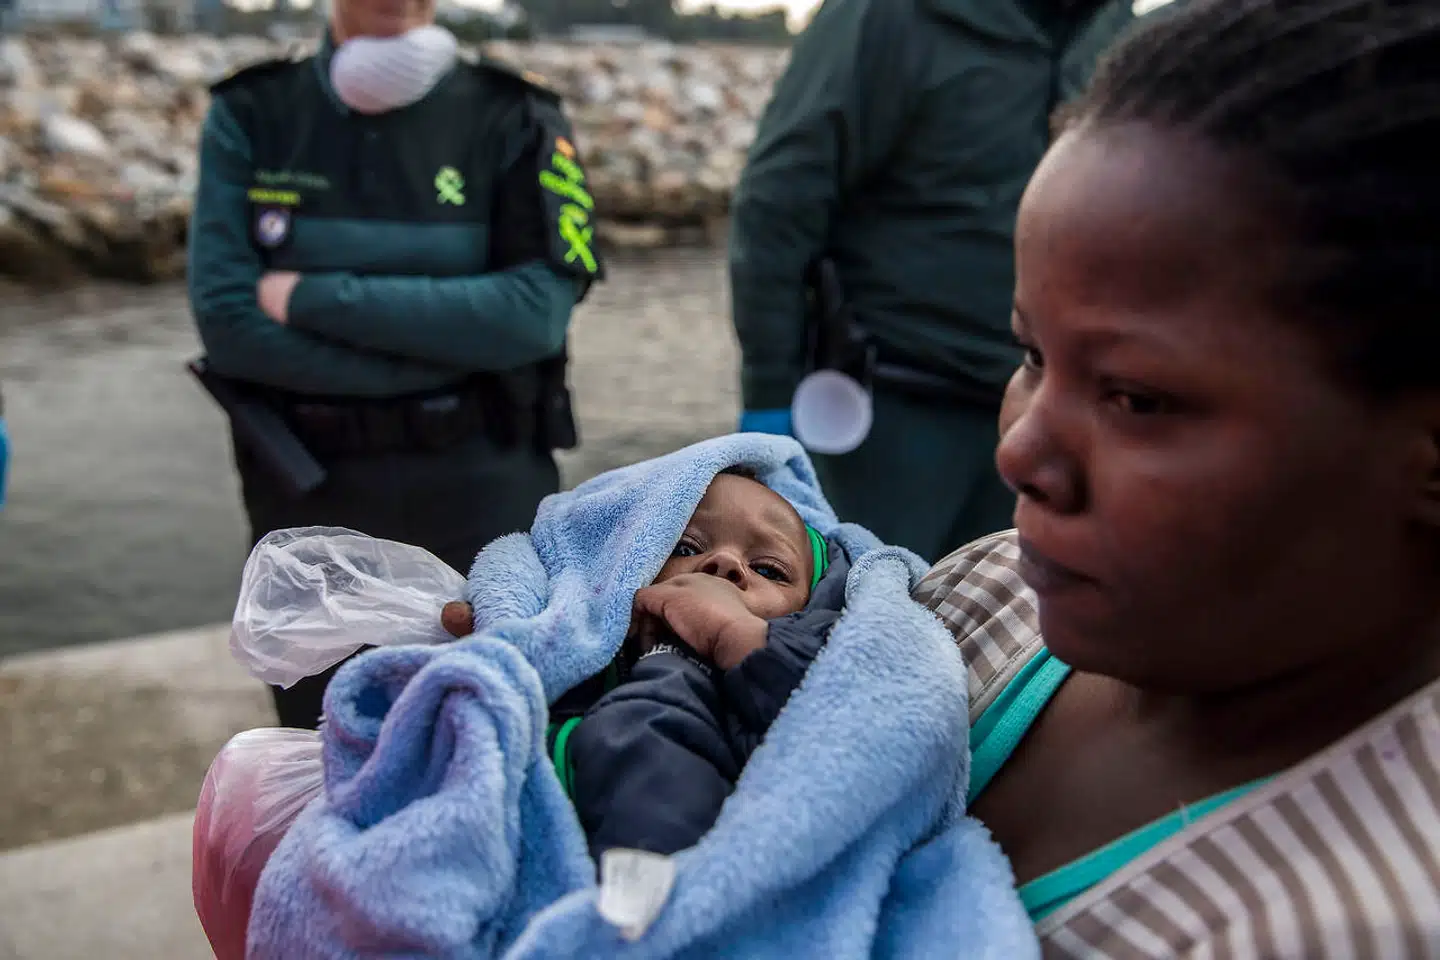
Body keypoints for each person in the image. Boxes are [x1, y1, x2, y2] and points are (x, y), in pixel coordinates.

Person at [913, 0, 1440, 946]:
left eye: (1137, 400)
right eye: (1031, 355)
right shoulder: (980, 604)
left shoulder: (1361, 920)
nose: (1020, 452)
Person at [188, 0, 602, 730]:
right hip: (308, 495)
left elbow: (535, 312)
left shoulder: (514, 114)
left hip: (486, 485)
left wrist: (311, 296)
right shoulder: (253, 110)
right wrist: (443, 348)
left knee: (499, 731)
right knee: (323, 752)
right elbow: (229, 326)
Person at [728, 0, 1182, 562]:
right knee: (853, 613)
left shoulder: (1113, 28)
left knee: (1008, 633)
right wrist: (769, 391)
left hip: (1048, 410)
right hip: (888, 415)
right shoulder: (884, 18)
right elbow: (778, 202)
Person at [547, 467, 848, 861]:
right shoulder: (559, 699)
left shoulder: (830, 657)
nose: (723, 564)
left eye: (768, 569)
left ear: (811, 606)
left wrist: (737, 634)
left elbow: (870, 724)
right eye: (685, 547)